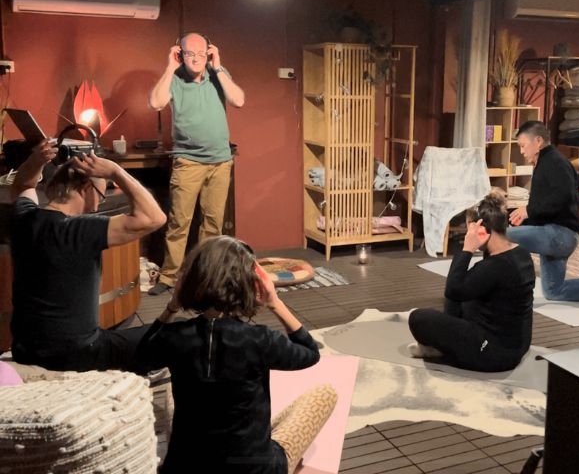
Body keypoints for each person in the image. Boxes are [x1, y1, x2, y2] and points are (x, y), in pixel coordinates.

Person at [136, 236, 338, 473]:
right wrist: (275, 303)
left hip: (188, 466)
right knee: (325, 394)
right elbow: (310, 353)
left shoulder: (174, 337)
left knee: (171, 390)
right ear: (248, 284)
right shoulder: (260, 340)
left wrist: (172, 306)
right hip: (254, 468)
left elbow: (143, 355)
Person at [10, 142, 167, 372]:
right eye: (101, 196)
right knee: (172, 335)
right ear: (87, 188)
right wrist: (116, 171)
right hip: (79, 353)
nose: (98, 204)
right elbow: (154, 218)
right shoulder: (82, 229)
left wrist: (36, 161)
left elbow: (23, 184)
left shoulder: (24, 218)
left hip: (25, 350)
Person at [148, 32, 245, 295]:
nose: (196, 59)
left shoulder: (217, 77)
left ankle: (207, 276)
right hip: (188, 162)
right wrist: (170, 66)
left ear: (209, 53)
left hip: (220, 162)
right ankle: (169, 277)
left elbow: (239, 100)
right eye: (190, 53)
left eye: (201, 53)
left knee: (213, 224)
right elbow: (155, 102)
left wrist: (219, 66)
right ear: (180, 54)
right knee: (179, 221)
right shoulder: (176, 80)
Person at [407, 192, 535, 372]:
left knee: (418, 318)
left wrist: (467, 248)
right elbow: (459, 289)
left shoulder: (493, 267)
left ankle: (444, 349)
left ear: (482, 230)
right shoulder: (521, 253)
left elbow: (452, 289)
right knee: (462, 291)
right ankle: (450, 344)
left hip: (494, 354)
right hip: (518, 345)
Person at [506, 120, 579, 307]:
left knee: (499, 235)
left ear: (538, 142)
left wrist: (528, 210)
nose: (521, 152)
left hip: (560, 235)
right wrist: (525, 217)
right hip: (553, 234)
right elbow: (547, 205)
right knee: (554, 291)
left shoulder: (555, 162)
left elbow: (563, 197)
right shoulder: (546, 162)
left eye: (523, 146)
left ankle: (496, 295)